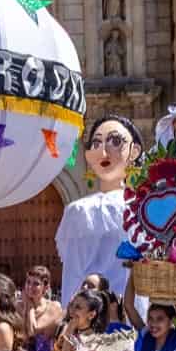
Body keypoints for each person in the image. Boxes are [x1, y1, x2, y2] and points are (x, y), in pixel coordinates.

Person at [56, 115, 143, 307]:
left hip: (127, 309)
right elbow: (72, 271)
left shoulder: (140, 207)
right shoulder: (76, 211)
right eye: (96, 143)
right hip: (85, 314)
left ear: (134, 151)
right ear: (87, 155)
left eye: (115, 141)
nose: (104, 151)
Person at [42, 288, 110, 351]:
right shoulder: (66, 330)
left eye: (78, 307)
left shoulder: (94, 342)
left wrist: (67, 340)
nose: (72, 310)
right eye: (72, 305)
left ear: (91, 315)